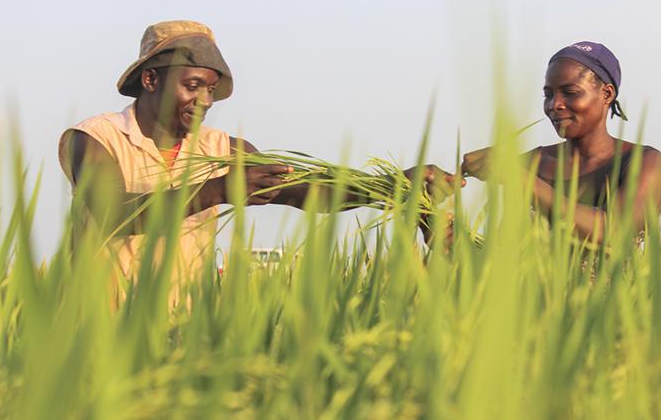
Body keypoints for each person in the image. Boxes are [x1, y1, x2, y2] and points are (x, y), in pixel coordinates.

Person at [59, 20, 457, 307]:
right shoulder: (95, 138)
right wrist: (217, 190)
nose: (206, 102)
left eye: (211, 90)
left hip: (183, 328)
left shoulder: (223, 149)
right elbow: (113, 211)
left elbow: (307, 192)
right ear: (150, 81)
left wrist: (391, 187)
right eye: (192, 85)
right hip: (96, 327)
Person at [461, 41, 661, 243]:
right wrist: (431, 217)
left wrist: (524, 180)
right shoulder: (531, 162)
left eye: (570, 93)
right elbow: (502, 261)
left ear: (607, 94)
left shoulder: (644, 162)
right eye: (548, 95)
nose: (555, 105)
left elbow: (615, 231)